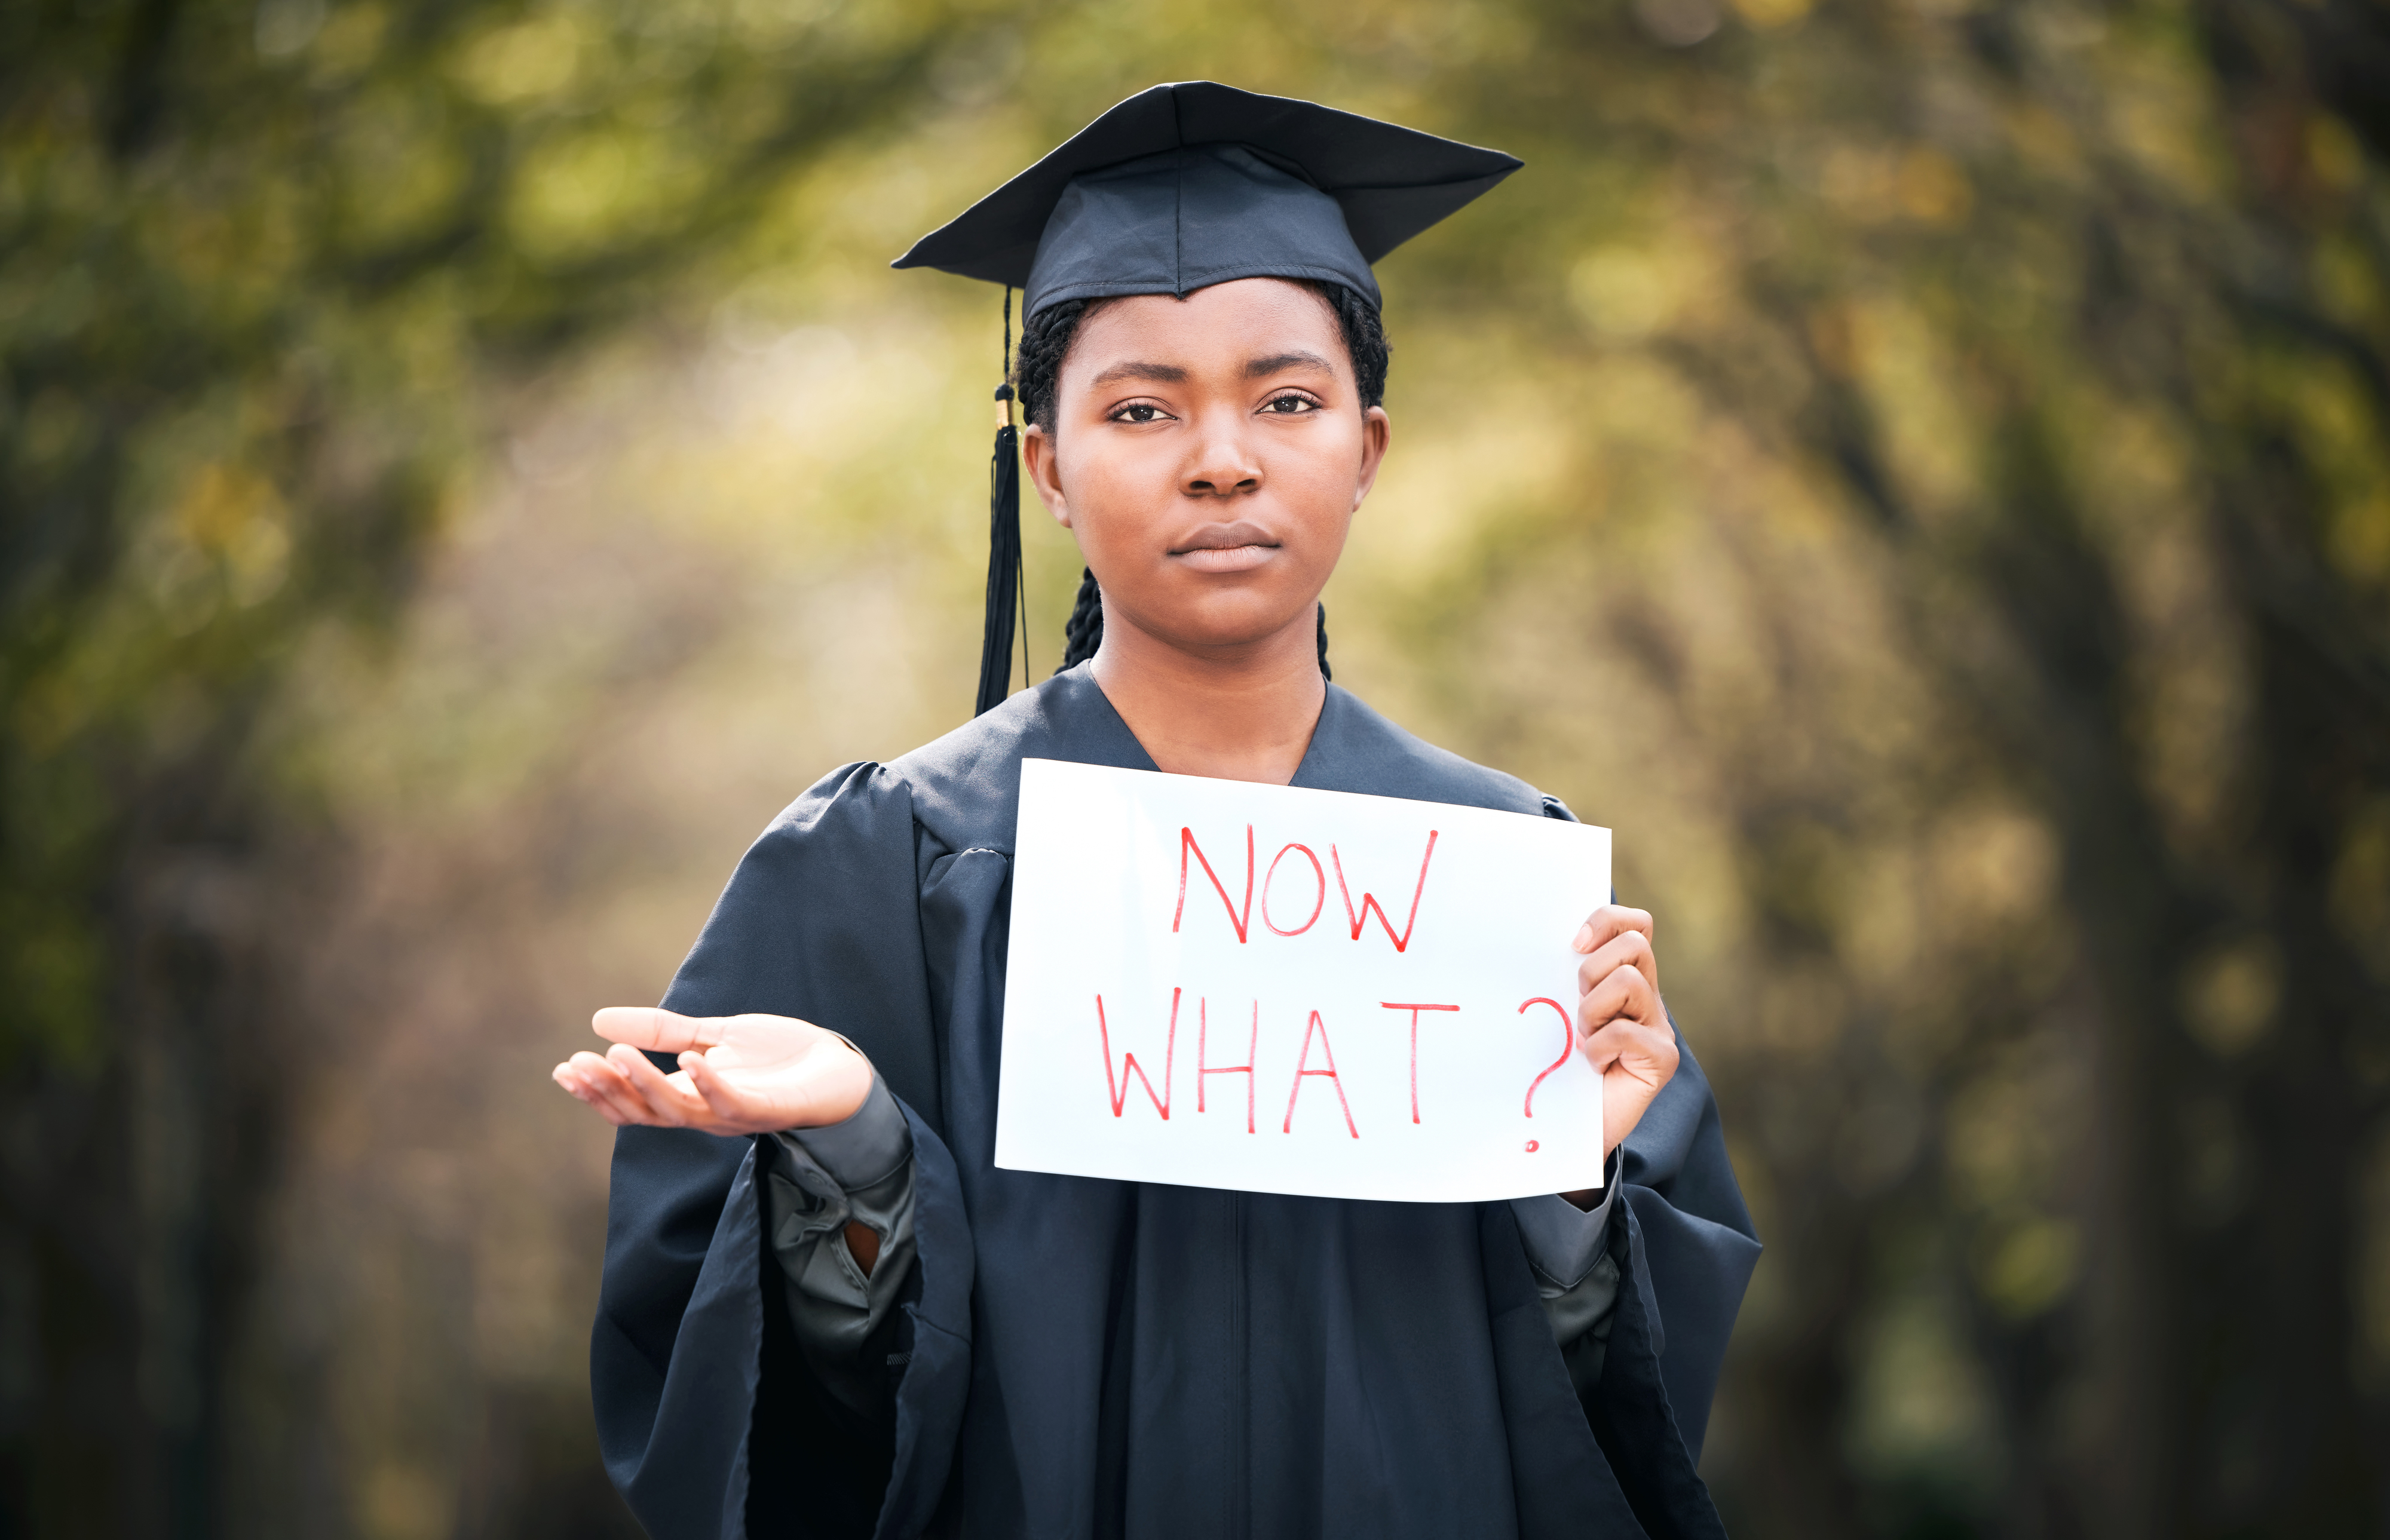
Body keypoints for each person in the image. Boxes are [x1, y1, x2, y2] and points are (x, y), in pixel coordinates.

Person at [552, 82, 1760, 1540]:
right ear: (1047, 467)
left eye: (1286, 398)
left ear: (1365, 451)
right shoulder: (884, 864)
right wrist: (861, 1154)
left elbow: (1627, 1415)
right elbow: (744, 1419)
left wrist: (1571, 1181)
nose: (1222, 457)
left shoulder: (1506, 892)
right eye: (1140, 408)